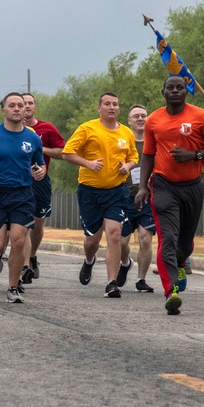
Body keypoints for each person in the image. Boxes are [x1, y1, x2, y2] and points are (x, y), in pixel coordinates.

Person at [135, 76, 204, 315]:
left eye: (179, 87)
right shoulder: (154, 120)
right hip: (163, 185)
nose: (175, 91)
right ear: (163, 92)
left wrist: (194, 155)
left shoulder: (202, 117)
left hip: (193, 186)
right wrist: (143, 186)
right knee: (168, 237)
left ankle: (182, 261)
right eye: (170, 88)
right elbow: (147, 155)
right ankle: (171, 291)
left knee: (184, 244)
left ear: (186, 91)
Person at [62, 92, 139, 296]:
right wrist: (88, 163)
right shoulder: (88, 128)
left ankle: (111, 283)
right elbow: (67, 153)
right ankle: (89, 260)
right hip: (90, 192)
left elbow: (134, 156)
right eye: (107, 104)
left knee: (114, 234)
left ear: (119, 108)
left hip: (117, 191)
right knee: (92, 240)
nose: (111, 107)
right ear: (99, 108)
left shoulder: (126, 132)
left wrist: (128, 166)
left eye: (115, 104)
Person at [0, 92, 46, 303]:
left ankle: (13, 287)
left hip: (23, 194)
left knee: (18, 240)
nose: (17, 108)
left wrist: (40, 171)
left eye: (20, 105)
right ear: (3, 110)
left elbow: (39, 162)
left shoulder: (32, 137)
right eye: (12, 105)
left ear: (25, 110)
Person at [21, 92, 66, 283]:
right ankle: (23, 267)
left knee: (38, 224)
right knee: (21, 223)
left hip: (40, 181)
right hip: (18, 182)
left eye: (30, 103)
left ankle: (32, 256)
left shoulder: (46, 128)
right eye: (23, 103)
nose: (27, 107)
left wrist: (39, 148)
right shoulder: (9, 130)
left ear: (35, 107)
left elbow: (62, 151)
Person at [119, 104, 156, 293]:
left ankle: (141, 279)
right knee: (122, 242)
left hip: (148, 198)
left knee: (145, 239)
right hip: (125, 196)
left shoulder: (154, 141)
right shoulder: (123, 141)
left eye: (143, 115)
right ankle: (125, 263)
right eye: (136, 116)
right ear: (129, 121)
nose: (140, 119)